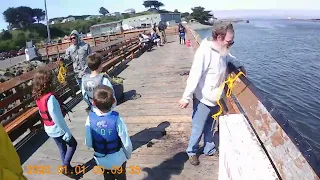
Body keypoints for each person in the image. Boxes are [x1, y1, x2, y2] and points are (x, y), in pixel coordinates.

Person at [178, 22, 246, 166]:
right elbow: (194, 76)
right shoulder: (204, 52)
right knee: (198, 127)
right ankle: (192, 151)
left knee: (211, 126)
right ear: (219, 37)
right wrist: (186, 97)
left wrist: (240, 66)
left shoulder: (223, 50)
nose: (231, 44)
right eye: (229, 41)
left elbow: (230, 58)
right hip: (203, 98)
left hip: (216, 98)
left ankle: (209, 149)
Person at [33, 69, 77, 176]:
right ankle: (65, 166)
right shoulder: (50, 98)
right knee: (73, 144)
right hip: (57, 128)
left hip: (48, 128)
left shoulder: (38, 96)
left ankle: (68, 168)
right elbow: (57, 118)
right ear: (48, 83)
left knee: (62, 149)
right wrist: (66, 132)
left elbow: (41, 112)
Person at [85, 85, 132, 180]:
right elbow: (126, 142)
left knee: (107, 177)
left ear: (93, 103)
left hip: (101, 159)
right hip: (118, 160)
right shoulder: (116, 119)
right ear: (113, 101)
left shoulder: (90, 119)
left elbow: (88, 142)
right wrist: (128, 155)